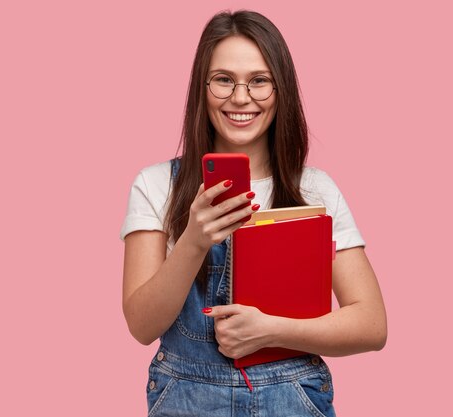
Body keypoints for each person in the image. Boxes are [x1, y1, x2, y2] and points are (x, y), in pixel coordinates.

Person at [120, 10, 387, 416]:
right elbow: (141, 325)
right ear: (201, 88)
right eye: (224, 79)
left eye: (259, 81)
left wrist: (272, 330)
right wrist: (193, 240)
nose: (241, 98)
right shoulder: (157, 185)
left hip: (293, 397)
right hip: (187, 400)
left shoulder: (313, 189)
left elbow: (371, 325)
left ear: (281, 90)